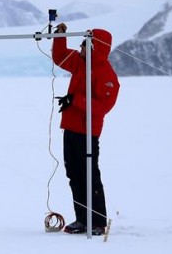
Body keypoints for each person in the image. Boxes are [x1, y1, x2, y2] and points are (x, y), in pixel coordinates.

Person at [51, 23, 120, 236]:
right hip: (70, 128)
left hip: (88, 132)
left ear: (94, 46)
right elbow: (60, 56)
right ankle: (82, 219)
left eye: (84, 43)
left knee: (90, 176)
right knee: (74, 175)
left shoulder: (105, 73)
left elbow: (103, 107)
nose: (80, 47)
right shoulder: (79, 62)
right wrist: (60, 36)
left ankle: (97, 222)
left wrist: (77, 100)